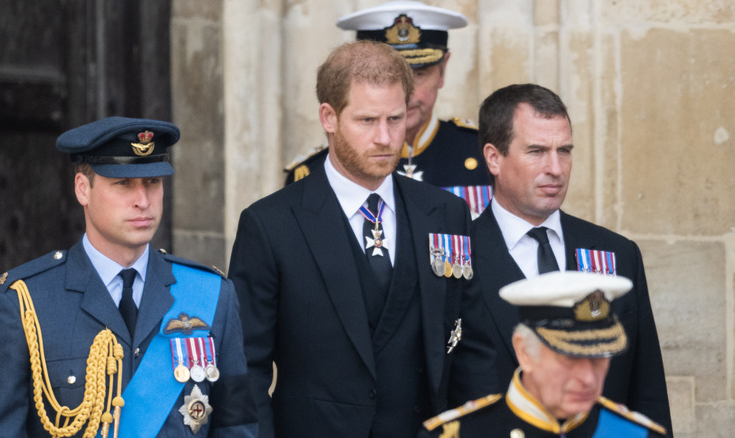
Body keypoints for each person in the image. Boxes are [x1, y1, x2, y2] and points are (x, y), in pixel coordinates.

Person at [230, 40, 476, 438]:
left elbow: (466, 344)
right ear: (329, 116)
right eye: (367, 121)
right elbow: (245, 366)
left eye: (395, 119)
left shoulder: (446, 214)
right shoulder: (270, 224)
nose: (385, 138)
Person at [0, 117, 257, 437]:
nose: (143, 201)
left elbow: (236, 426)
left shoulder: (211, 294)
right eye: (123, 183)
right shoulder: (23, 304)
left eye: (153, 182)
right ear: (82, 189)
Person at [449, 83, 673, 434]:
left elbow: (647, 392)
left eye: (564, 151)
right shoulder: (456, 262)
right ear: (494, 157)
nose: (556, 168)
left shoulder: (617, 253)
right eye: (536, 151)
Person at [284, 1, 492, 218]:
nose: (407, 94)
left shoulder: (482, 153)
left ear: (443, 70)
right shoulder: (312, 172)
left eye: (419, 74)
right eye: (383, 80)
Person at [421, 271, 668, 437]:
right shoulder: (459, 432)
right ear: (524, 351)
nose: (588, 379)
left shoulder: (633, 433)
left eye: (599, 359)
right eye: (570, 359)